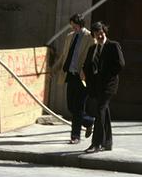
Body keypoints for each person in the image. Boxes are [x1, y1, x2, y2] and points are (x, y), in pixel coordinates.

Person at [51, 13, 95, 144]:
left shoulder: (89, 37)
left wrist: (86, 71)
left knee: (78, 107)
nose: (72, 27)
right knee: (71, 106)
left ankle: (75, 136)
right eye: (71, 25)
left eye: (74, 25)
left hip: (82, 77)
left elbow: (93, 58)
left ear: (80, 24)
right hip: (70, 75)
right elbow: (64, 56)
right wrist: (54, 69)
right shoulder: (69, 37)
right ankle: (89, 121)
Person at [82, 21, 125, 153]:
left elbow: (120, 64)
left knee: (100, 110)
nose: (99, 36)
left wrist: (105, 75)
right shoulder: (92, 49)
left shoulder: (113, 46)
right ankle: (108, 142)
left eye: (101, 33)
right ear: (93, 35)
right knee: (104, 112)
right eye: (96, 34)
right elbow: (87, 66)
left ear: (104, 32)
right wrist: (86, 76)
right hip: (95, 86)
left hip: (108, 85)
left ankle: (96, 143)